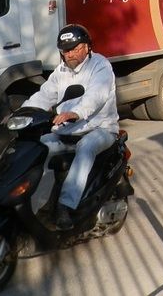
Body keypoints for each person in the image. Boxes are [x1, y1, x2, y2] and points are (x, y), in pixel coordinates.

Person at [21, 23, 119, 230]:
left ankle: (66, 205)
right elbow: (44, 95)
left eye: (75, 48)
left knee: (86, 146)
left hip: (100, 129)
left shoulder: (101, 66)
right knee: (36, 148)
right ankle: (30, 204)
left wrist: (76, 112)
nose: (70, 54)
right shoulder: (61, 71)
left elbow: (97, 96)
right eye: (66, 50)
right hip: (67, 132)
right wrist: (21, 113)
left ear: (87, 47)